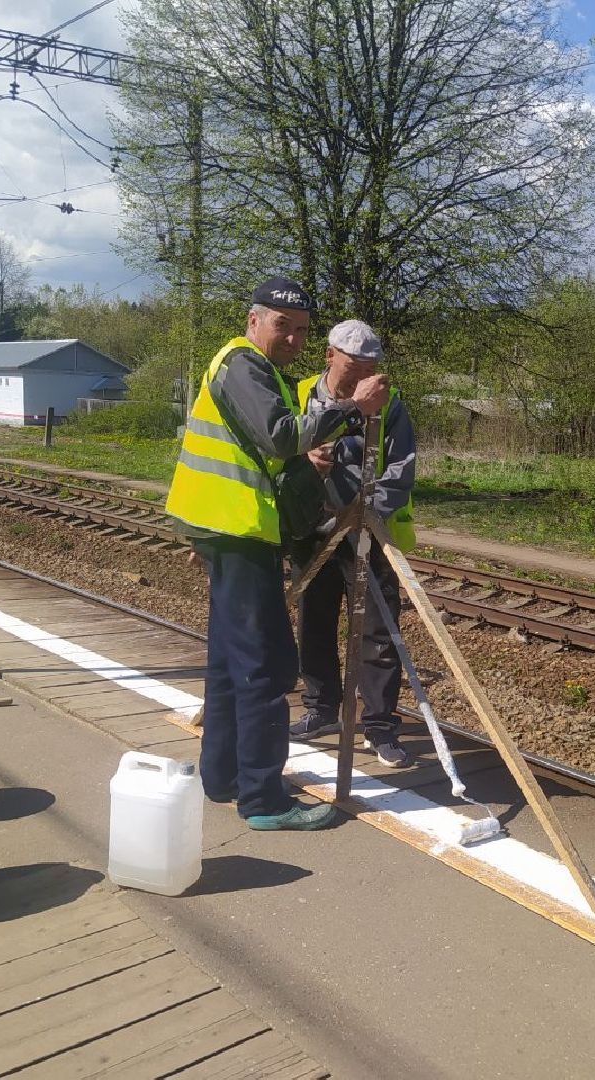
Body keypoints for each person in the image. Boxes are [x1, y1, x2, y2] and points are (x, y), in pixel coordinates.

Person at [166, 278, 390, 830]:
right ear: (253, 320)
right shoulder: (242, 364)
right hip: (237, 531)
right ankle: (263, 799)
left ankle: (223, 777)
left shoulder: (256, 370)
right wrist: (346, 406)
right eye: (281, 325)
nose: (291, 338)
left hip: (232, 528)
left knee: (230, 663)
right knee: (267, 666)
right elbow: (278, 435)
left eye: (301, 331)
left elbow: (269, 452)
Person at [289, 319, 418, 768]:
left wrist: (369, 512)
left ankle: (380, 726)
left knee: (378, 633)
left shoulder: (390, 402)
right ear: (328, 356)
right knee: (314, 622)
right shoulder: (301, 392)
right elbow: (277, 448)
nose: (363, 377)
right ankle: (321, 709)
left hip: (368, 532)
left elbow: (401, 466)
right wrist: (306, 463)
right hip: (313, 529)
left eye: (370, 367)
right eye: (352, 366)